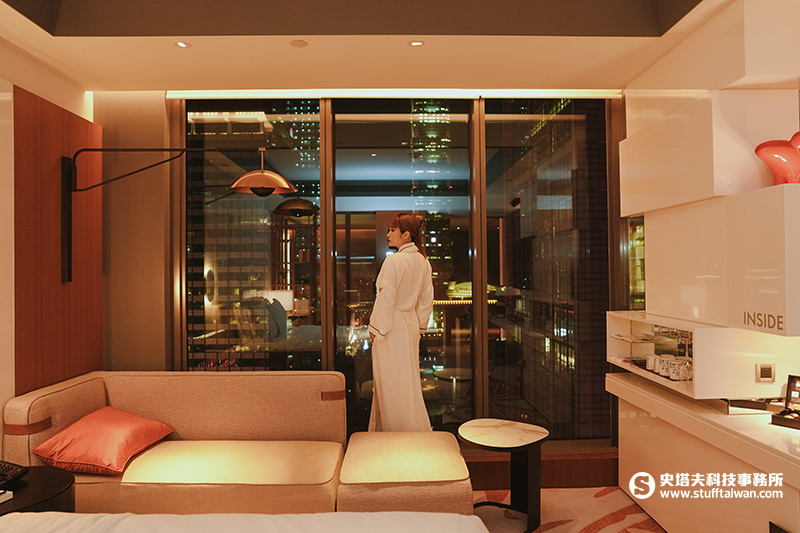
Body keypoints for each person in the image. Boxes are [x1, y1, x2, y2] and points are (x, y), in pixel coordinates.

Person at [368, 213, 434, 431]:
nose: (388, 234)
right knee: (407, 381)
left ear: (406, 235)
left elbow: (386, 298)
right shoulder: (423, 261)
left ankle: (393, 434)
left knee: (389, 383)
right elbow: (427, 300)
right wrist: (420, 326)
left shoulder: (393, 261)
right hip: (410, 324)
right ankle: (410, 432)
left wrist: (376, 330)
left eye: (392, 230)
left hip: (391, 326)